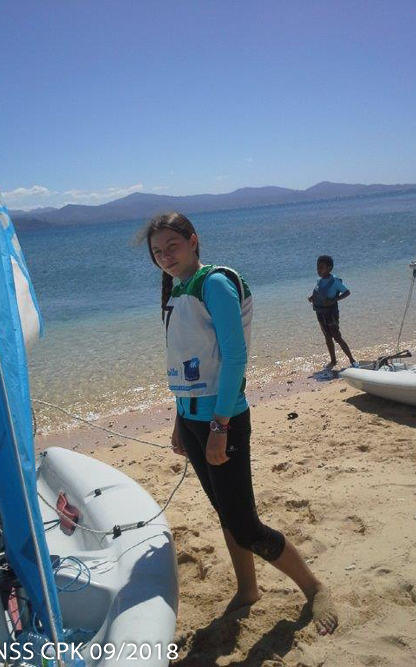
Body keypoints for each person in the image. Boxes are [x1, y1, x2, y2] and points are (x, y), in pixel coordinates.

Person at [140, 211, 338, 636]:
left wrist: (219, 425)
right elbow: (186, 365)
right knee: (226, 513)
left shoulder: (214, 283)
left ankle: (314, 587)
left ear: (193, 240)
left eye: (172, 246)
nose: (165, 256)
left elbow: (235, 357)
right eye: (157, 252)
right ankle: (248, 590)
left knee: (245, 525)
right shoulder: (178, 290)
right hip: (192, 420)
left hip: (221, 420)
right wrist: (179, 420)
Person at [308, 255, 358, 370]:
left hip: (331, 313)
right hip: (320, 313)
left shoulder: (335, 281)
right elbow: (319, 293)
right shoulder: (319, 281)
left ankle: (352, 360)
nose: (318, 270)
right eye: (317, 267)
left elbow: (347, 292)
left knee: (337, 337)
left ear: (329, 268)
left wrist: (334, 300)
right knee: (327, 337)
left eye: (321, 267)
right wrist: (311, 297)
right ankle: (333, 360)